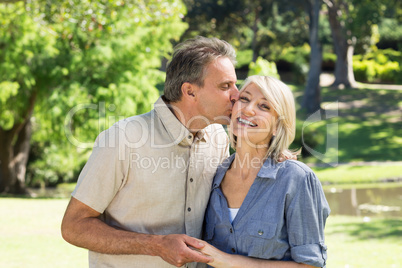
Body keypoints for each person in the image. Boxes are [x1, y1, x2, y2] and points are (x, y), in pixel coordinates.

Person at [61, 36, 239, 267]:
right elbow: (74, 226)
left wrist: (273, 155)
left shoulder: (218, 137)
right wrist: (156, 245)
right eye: (225, 86)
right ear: (190, 91)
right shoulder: (124, 139)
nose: (236, 94)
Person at [199, 76, 330, 267]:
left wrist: (229, 261)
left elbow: (310, 265)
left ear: (277, 126)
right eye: (244, 99)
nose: (249, 109)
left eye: (264, 107)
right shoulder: (214, 176)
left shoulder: (296, 179)